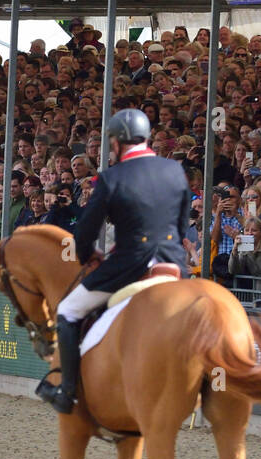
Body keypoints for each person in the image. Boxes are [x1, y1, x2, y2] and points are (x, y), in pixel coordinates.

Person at [37, 108, 191, 415]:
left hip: (130, 266)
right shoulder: (174, 170)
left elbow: (86, 230)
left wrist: (86, 255)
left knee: (68, 310)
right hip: (173, 265)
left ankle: (68, 392)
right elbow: (183, 223)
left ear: (117, 143)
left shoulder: (111, 177)